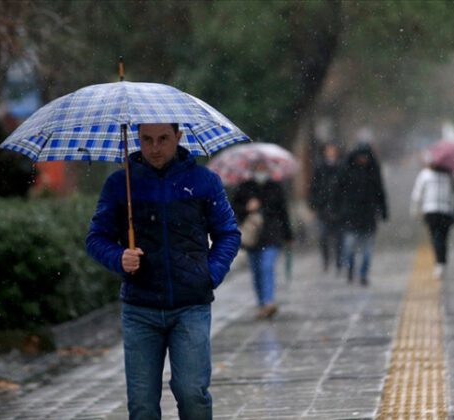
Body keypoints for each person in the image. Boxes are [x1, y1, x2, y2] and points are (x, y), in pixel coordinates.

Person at [86, 123, 241, 419]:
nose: (155, 148)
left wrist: (210, 274)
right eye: (146, 139)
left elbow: (228, 233)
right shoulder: (121, 184)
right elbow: (96, 238)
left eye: (163, 139)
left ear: (178, 137)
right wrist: (119, 257)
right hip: (140, 308)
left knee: (192, 393)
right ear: (136, 139)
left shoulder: (204, 181)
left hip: (190, 306)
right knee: (142, 404)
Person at [232, 160, 293, 319]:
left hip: (272, 235)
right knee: (257, 271)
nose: (261, 171)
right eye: (258, 168)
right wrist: (247, 208)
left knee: (267, 267)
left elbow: (283, 212)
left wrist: (288, 235)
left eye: (263, 168)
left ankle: (268, 302)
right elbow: (233, 209)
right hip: (252, 237)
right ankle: (262, 303)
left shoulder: (275, 187)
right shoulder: (244, 188)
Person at [335, 143, 388, 286]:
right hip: (351, 216)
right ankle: (351, 268)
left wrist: (383, 211)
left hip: (369, 216)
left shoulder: (373, 172)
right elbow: (338, 192)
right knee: (349, 246)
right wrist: (338, 210)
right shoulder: (346, 170)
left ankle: (363, 274)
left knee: (367, 249)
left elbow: (380, 193)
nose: (363, 159)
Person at [410, 161, 454, 278]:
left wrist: (415, 209)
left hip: (431, 210)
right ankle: (442, 262)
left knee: (436, 237)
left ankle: (440, 263)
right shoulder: (449, 175)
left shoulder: (425, 174)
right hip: (445, 210)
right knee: (443, 237)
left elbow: (417, 193)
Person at [308, 142, 344, 273]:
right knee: (323, 237)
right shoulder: (319, 168)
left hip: (338, 209)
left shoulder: (341, 166)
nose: (331, 153)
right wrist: (314, 204)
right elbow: (314, 188)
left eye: (333, 150)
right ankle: (326, 260)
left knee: (339, 238)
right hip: (323, 209)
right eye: (329, 150)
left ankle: (339, 261)